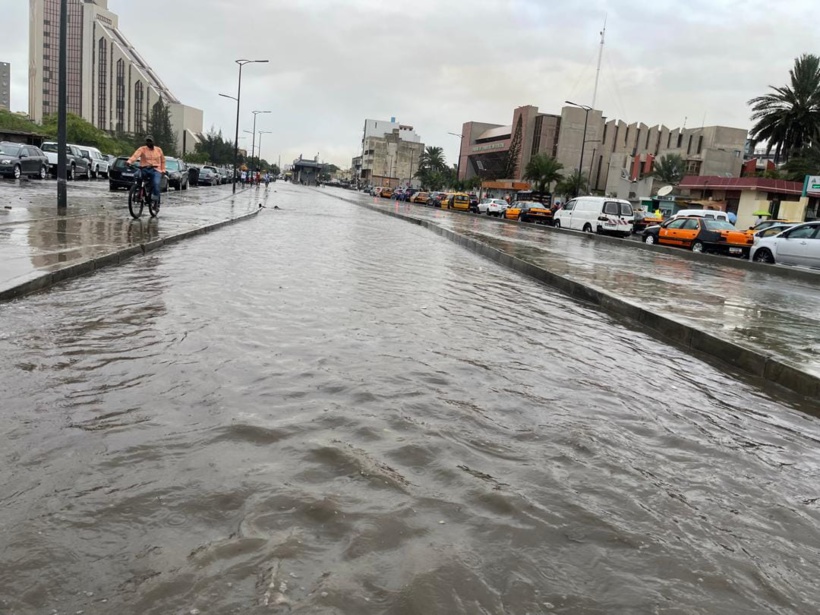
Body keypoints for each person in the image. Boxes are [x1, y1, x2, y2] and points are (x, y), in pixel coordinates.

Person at [127, 136, 166, 208]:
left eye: (150, 141)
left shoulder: (158, 150)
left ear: (153, 142)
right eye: (147, 141)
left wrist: (163, 170)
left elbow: (163, 161)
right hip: (144, 169)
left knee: (156, 183)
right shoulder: (142, 149)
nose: (148, 143)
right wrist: (129, 161)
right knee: (136, 175)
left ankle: (155, 202)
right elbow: (135, 156)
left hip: (156, 170)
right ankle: (138, 191)